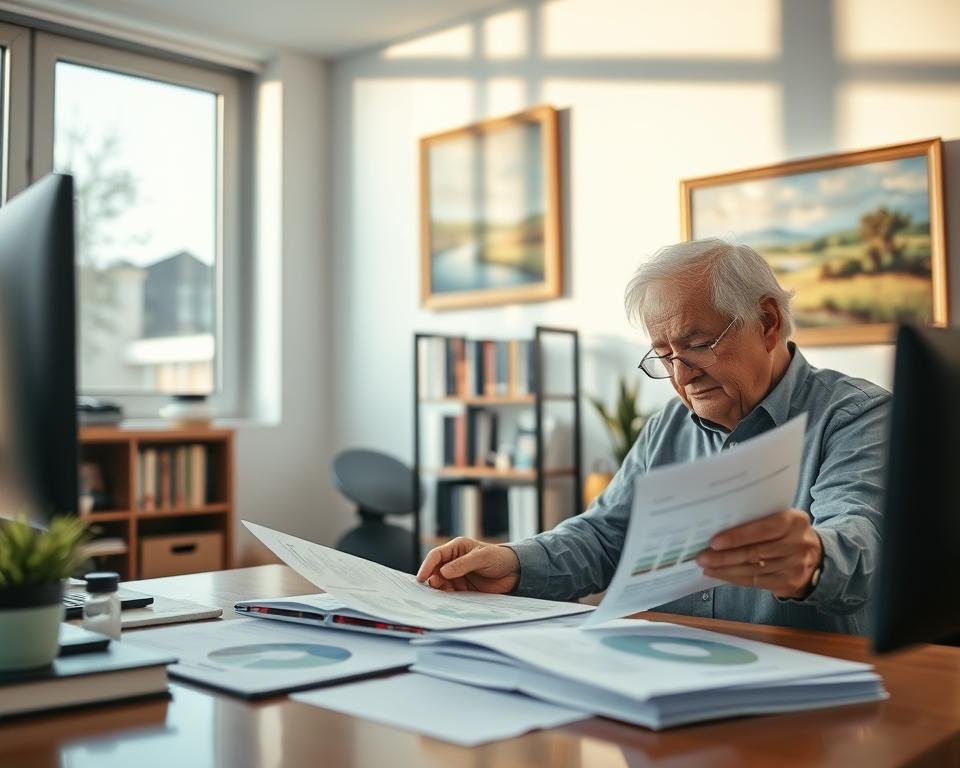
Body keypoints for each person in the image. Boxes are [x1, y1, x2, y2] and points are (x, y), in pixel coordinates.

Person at [416, 238, 890, 635]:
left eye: (698, 344)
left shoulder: (855, 415)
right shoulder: (668, 424)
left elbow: (863, 536)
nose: (683, 375)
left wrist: (810, 559)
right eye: (664, 355)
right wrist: (513, 561)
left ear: (766, 322)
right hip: (669, 677)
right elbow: (605, 537)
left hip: (808, 687)